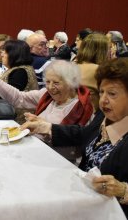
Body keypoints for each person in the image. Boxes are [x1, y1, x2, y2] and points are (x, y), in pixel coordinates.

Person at [21, 58, 128, 217]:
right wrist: (46, 127)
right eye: (101, 92)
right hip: (81, 201)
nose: (103, 100)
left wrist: (123, 189)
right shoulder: (104, 116)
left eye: (112, 93)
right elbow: (82, 134)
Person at [75, 33, 109, 111]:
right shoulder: (101, 70)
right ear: (102, 51)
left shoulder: (71, 66)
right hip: (89, 115)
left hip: (69, 113)